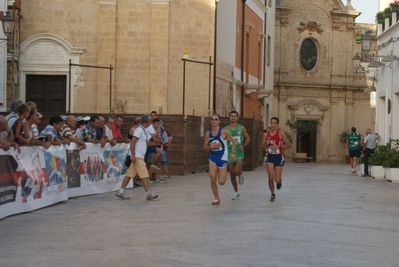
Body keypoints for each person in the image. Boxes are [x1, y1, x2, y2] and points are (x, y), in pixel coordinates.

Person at [116, 114, 158, 201]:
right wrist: (133, 155)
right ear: (147, 121)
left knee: (130, 174)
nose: (150, 121)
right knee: (144, 175)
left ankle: (121, 191)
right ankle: (148, 193)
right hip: (137, 156)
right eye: (150, 120)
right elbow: (132, 142)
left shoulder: (143, 130)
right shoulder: (139, 130)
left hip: (139, 156)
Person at [203, 114, 236, 205]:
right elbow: (204, 148)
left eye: (216, 119)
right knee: (212, 179)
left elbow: (233, 141)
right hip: (213, 157)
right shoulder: (208, 133)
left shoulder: (223, 132)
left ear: (219, 121)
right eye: (212, 119)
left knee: (221, 182)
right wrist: (211, 146)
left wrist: (232, 153)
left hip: (223, 157)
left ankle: (221, 172)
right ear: (210, 121)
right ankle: (216, 198)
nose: (214, 121)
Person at [261, 117, 291, 202]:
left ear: (277, 125)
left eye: (274, 123)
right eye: (271, 123)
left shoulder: (281, 134)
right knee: (270, 177)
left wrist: (279, 146)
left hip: (278, 156)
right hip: (269, 156)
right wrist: (266, 145)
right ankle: (272, 194)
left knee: (276, 179)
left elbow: (289, 145)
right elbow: (261, 147)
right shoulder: (266, 134)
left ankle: (279, 181)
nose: (272, 124)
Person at [225, 110, 251, 200]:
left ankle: (240, 174)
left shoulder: (242, 128)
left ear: (237, 118)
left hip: (239, 152)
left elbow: (248, 138)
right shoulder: (225, 129)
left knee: (236, 171)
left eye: (234, 116)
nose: (233, 117)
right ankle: (236, 192)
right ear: (229, 117)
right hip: (229, 152)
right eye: (231, 116)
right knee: (232, 174)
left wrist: (243, 146)